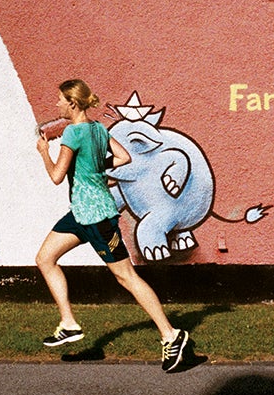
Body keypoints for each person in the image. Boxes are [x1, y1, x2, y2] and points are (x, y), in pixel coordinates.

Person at [34, 78, 193, 372]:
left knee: (127, 278)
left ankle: (171, 335)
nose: (56, 105)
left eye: (59, 100)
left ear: (72, 103)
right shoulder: (98, 130)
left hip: (98, 219)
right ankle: (68, 323)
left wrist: (44, 153)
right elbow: (123, 157)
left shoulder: (73, 133)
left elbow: (57, 176)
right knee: (45, 258)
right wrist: (94, 172)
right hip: (80, 214)